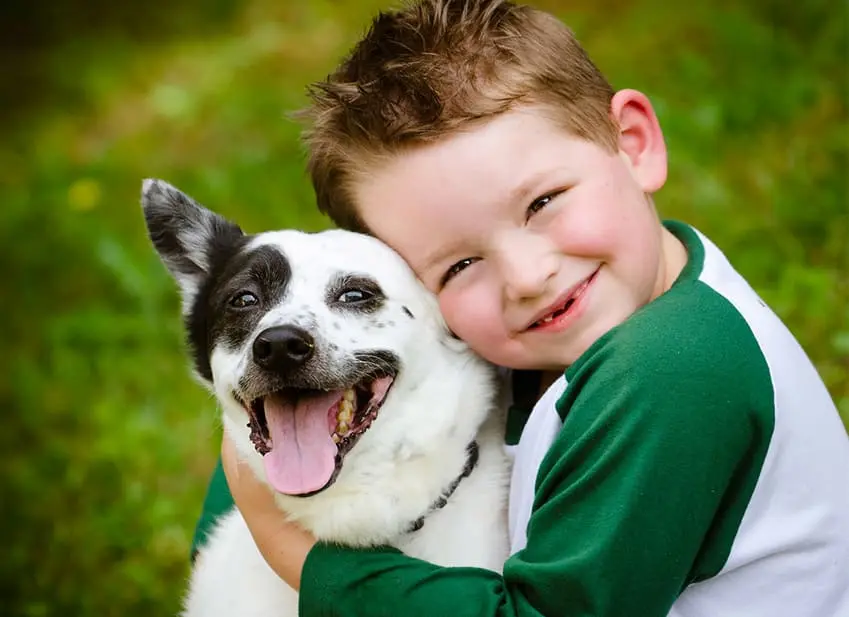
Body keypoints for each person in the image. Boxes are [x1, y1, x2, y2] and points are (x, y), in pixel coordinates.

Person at [195, 1, 849, 615]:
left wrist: (295, 550)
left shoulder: (672, 371)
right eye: (458, 265)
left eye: (542, 203)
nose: (526, 278)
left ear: (632, 142)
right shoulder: (554, 330)